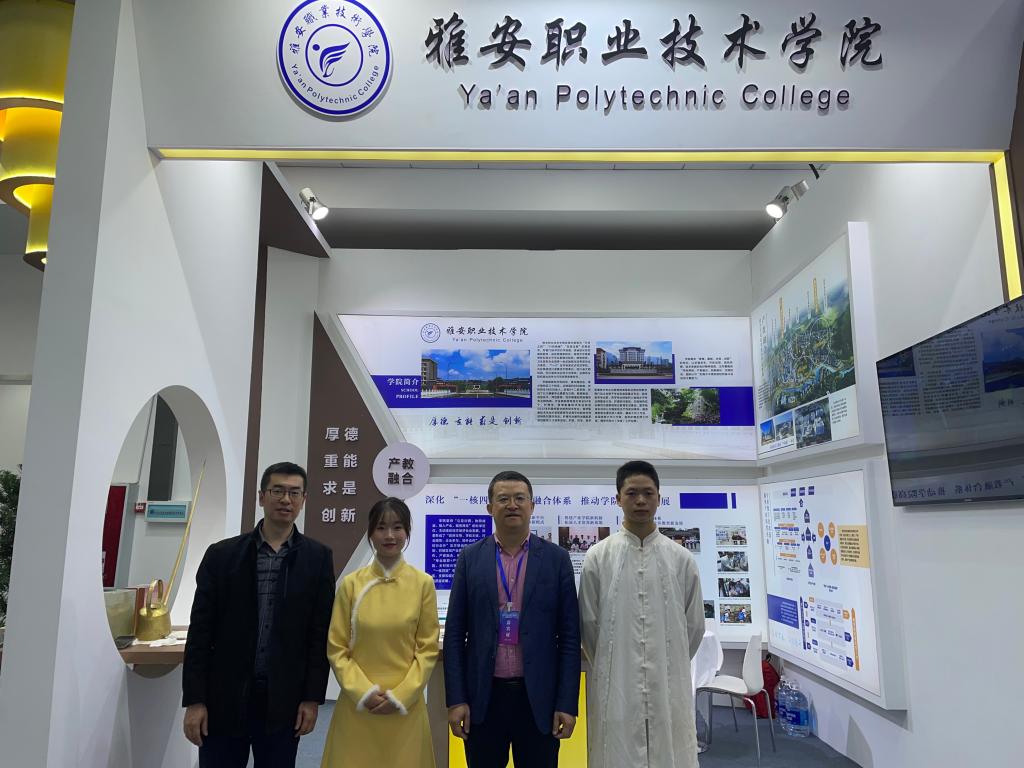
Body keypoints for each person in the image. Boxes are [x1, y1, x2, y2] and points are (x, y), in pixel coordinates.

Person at [182, 461, 335, 767]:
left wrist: (312, 698)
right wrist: (195, 700)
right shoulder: (222, 555)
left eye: (294, 493)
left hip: (283, 699)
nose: (286, 499)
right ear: (261, 496)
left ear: (304, 500)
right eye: (277, 491)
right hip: (224, 696)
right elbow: (200, 632)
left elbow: (319, 635)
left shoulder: (317, 558)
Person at [444, 470, 581, 768]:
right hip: (483, 699)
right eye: (503, 499)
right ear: (489, 507)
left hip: (539, 701)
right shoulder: (470, 558)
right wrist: (456, 700)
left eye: (520, 498)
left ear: (532, 505)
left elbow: (570, 637)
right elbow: (455, 634)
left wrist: (567, 703)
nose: (512, 505)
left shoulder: (556, 559)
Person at [579, 460, 705, 768]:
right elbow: (588, 624)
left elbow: (693, 626)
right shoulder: (598, 556)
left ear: (659, 498)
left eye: (648, 493)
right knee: (616, 748)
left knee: (670, 746)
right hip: (616, 680)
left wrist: (669, 658)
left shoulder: (681, 558)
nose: (640, 501)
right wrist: (613, 662)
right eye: (632, 493)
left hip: (668, 677)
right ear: (617, 498)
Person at [320, 497, 440, 768]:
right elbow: (337, 648)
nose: (389, 535)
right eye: (381, 527)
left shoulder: (423, 584)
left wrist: (402, 696)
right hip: (358, 706)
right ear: (370, 533)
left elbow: (427, 649)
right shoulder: (351, 585)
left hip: (406, 707)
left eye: (397, 527)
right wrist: (363, 692)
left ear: (407, 532)